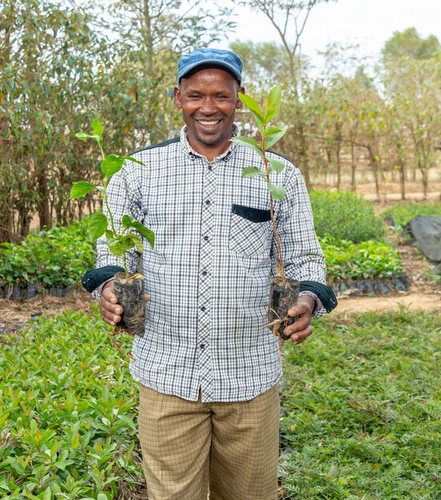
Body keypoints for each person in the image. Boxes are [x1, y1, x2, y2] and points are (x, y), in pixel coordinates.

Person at [93, 47, 336, 499]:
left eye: (221, 96)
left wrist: (305, 301)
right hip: (165, 374)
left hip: (249, 376)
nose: (208, 107)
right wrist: (109, 288)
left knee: (249, 494)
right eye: (195, 95)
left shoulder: (277, 173)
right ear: (177, 97)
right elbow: (112, 249)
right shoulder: (137, 171)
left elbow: (305, 257)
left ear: (239, 98)